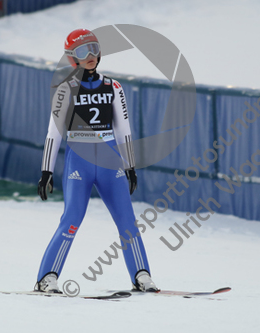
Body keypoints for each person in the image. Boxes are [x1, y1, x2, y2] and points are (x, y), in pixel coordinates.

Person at [35, 28, 158, 293]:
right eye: (82, 51)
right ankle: (47, 277)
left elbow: (123, 128)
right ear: (72, 58)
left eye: (94, 48)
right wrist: (46, 170)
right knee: (71, 219)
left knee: (127, 220)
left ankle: (141, 274)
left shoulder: (113, 87)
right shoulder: (65, 89)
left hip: (109, 162)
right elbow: (53, 133)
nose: (90, 55)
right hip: (79, 161)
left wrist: (130, 166)